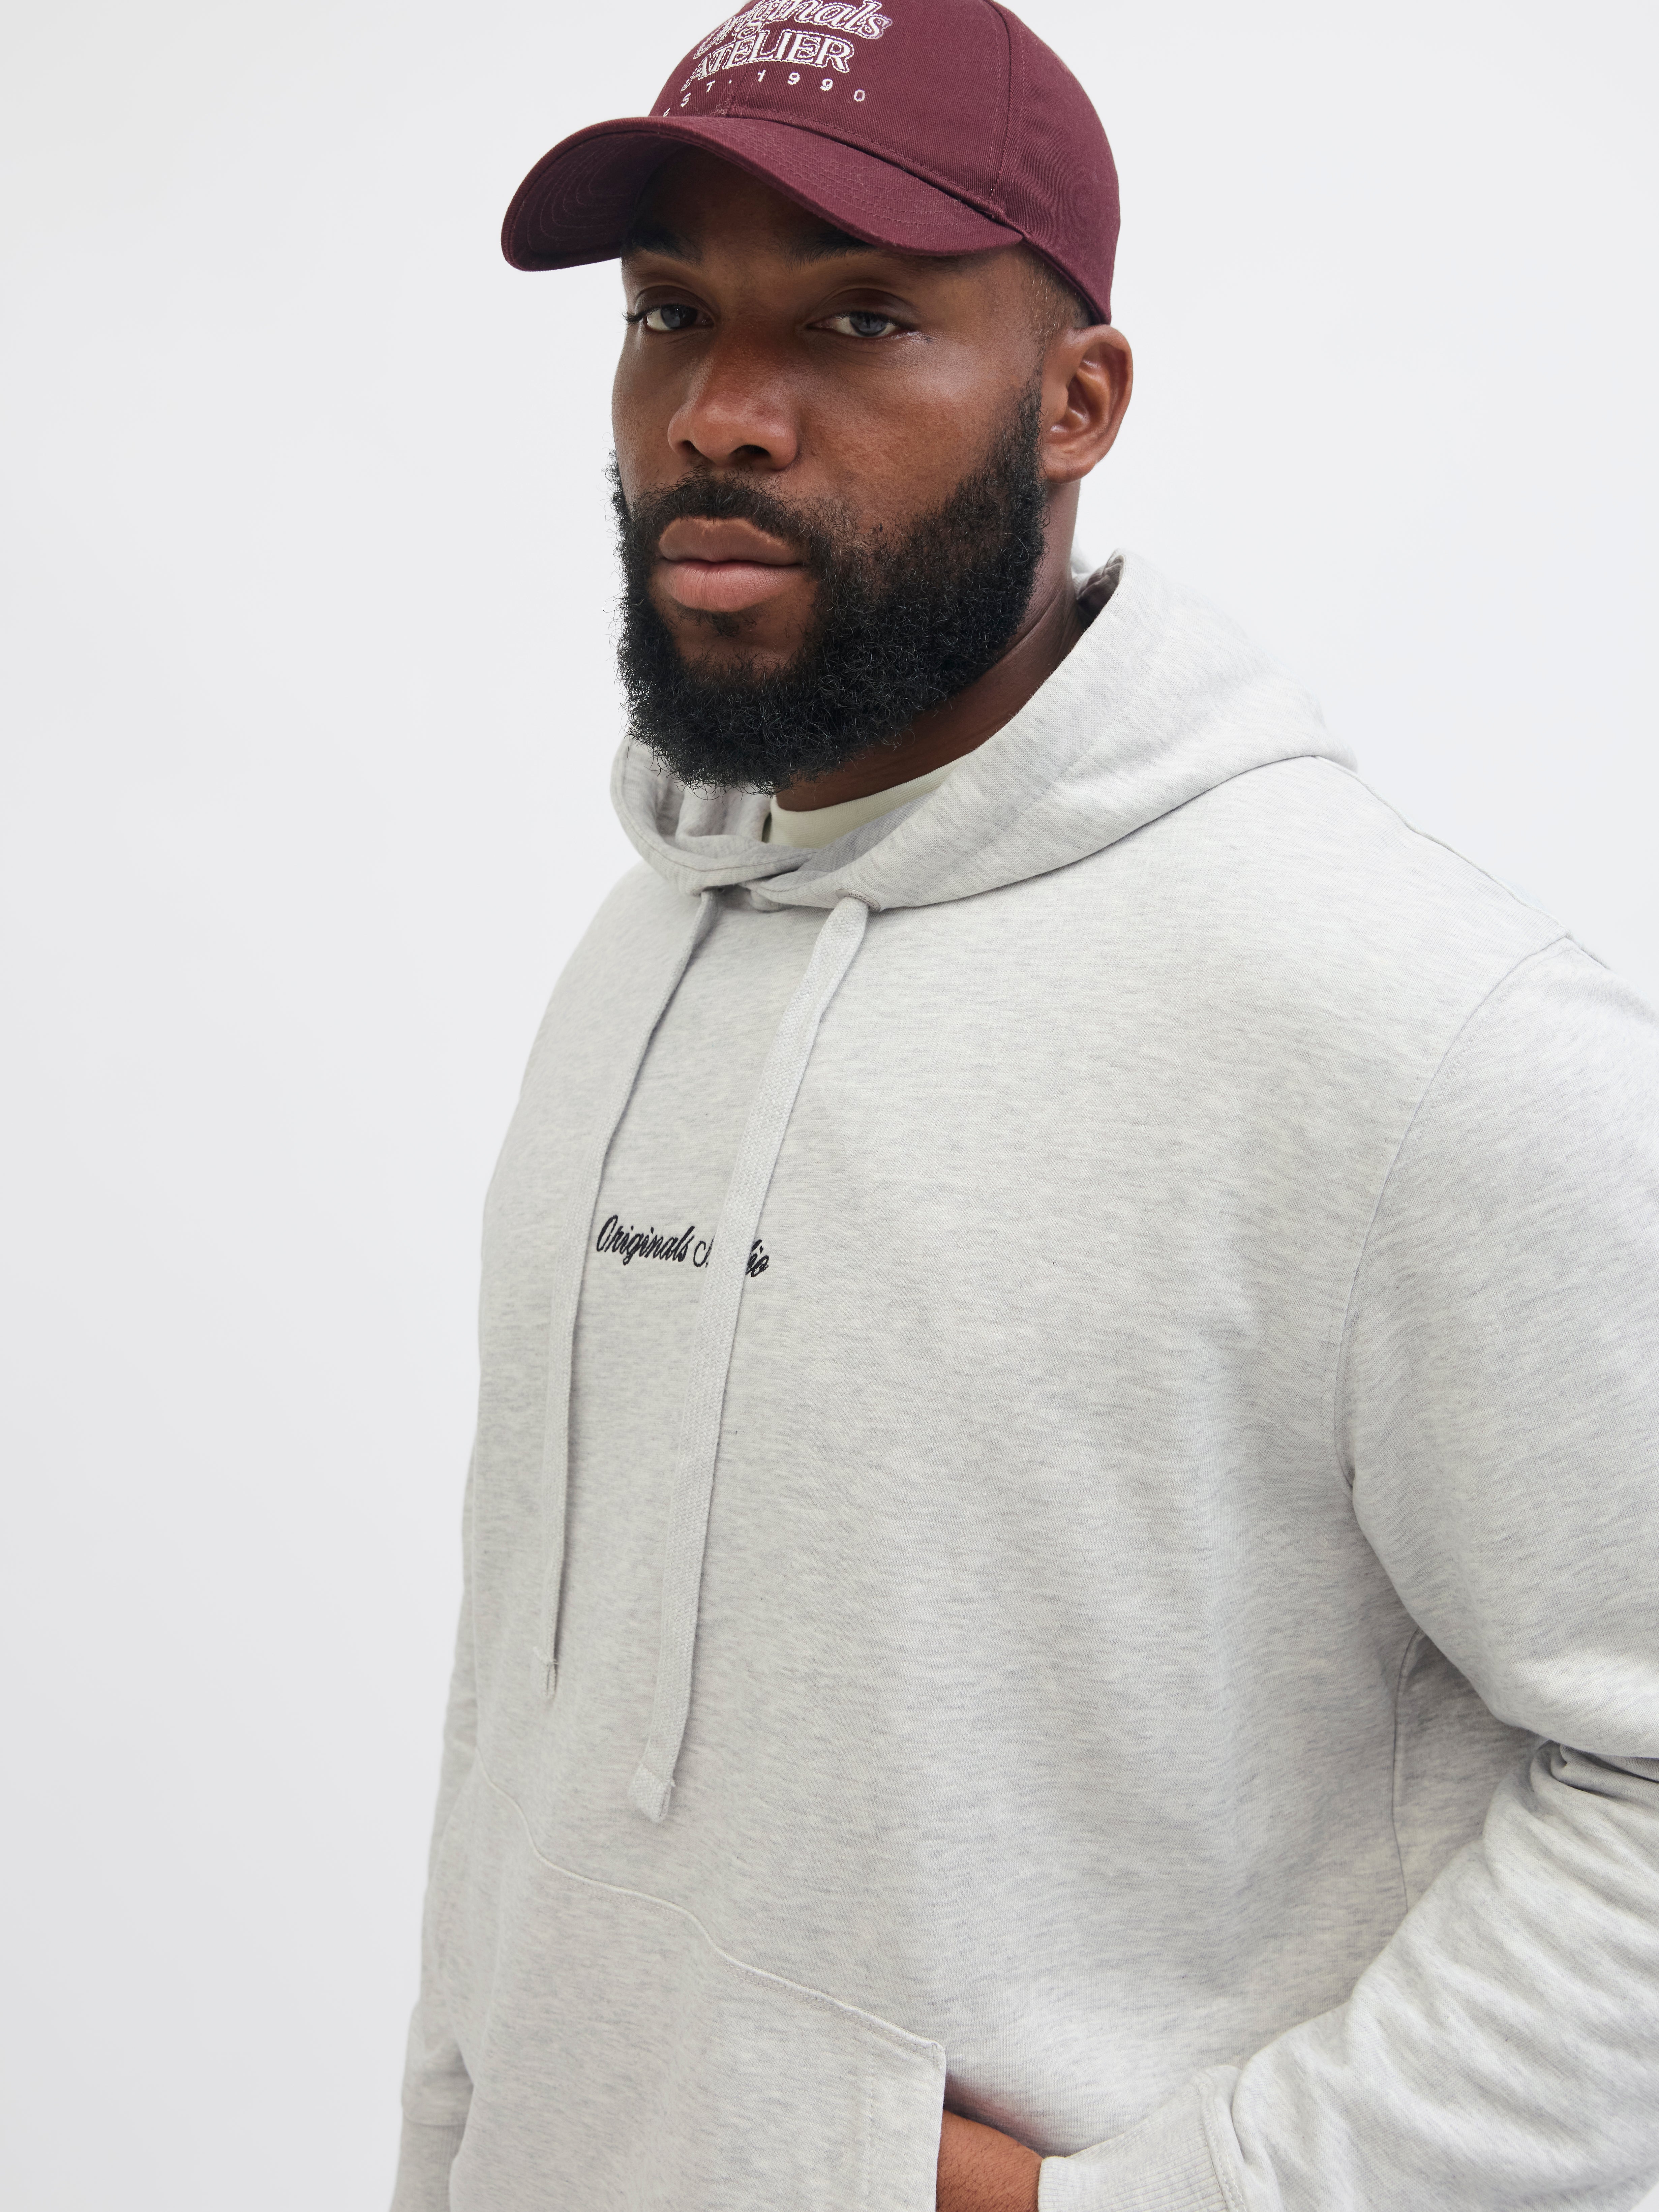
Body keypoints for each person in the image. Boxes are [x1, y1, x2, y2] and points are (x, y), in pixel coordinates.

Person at [390, 4, 1659, 2207]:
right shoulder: (645, 950)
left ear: (1079, 403)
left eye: (860, 319)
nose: (721, 412)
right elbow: (536, 1777)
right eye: (671, 311)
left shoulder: (1412, 1025)